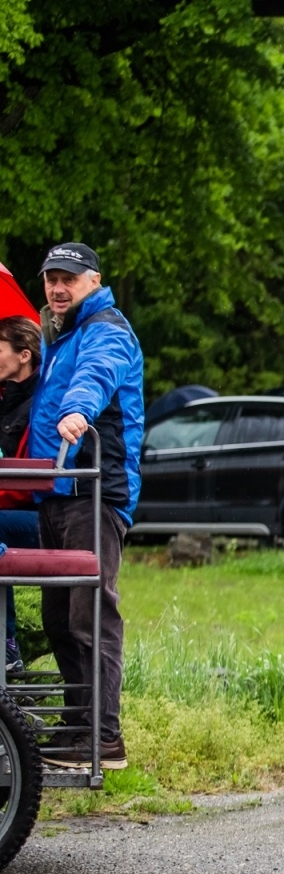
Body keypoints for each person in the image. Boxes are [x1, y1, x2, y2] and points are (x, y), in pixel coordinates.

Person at [31, 243, 145, 771]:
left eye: (68, 279)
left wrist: (78, 412)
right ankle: (77, 727)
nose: (57, 287)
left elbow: (96, 375)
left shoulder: (106, 327)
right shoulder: (60, 334)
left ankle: (102, 735)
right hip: (57, 494)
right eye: (51, 278)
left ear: (93, 281)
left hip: (95, 493)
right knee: (59, 618)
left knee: (90, 613)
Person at [0, 315, 42, 675]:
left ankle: (6, 643)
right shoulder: (5, 403)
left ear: (23, 355)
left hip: (40, 516)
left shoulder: (40, 406)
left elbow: (28, 481)